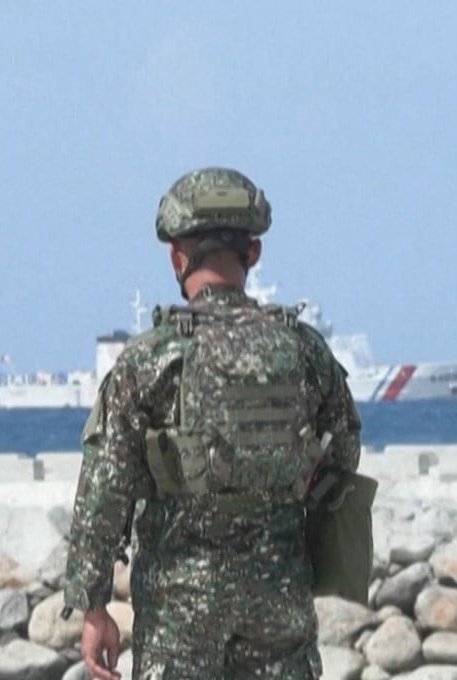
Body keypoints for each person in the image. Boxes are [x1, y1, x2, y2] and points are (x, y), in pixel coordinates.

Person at [63, 168, 362, 679]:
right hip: (277, 601)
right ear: (253, 254)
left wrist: (93, 606)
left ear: (176, 255)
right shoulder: (305, 352)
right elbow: (344, 455)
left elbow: (105, 490)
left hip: (180, 616)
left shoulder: (151, 360)